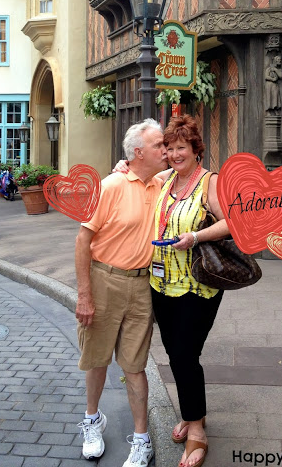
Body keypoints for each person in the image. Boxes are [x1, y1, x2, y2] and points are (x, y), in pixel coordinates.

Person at [115, 115, 230, 467]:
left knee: (183, 355)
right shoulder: (165, 180)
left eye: (182, 147)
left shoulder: (208, 181)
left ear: (196, 149)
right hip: (161, 285)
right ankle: (193, 412)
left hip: (198, 286)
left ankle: (196, 430)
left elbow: (229, 224)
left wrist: (195, 236)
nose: (175, 153)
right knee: (179, 355)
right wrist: (123, 164)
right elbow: (137, 170)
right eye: (170, 148)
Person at [75, 118, 167, 465]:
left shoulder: (163, 182)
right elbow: (82, 240)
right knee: (97, 358)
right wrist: (84, 295)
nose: (166, 149)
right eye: (159, 145)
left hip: (144, 286)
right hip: (104, 280)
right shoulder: (111, 185)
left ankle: (141, 438)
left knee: (134, 365)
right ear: (139, 153)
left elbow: (194, 170)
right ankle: (92, 419)